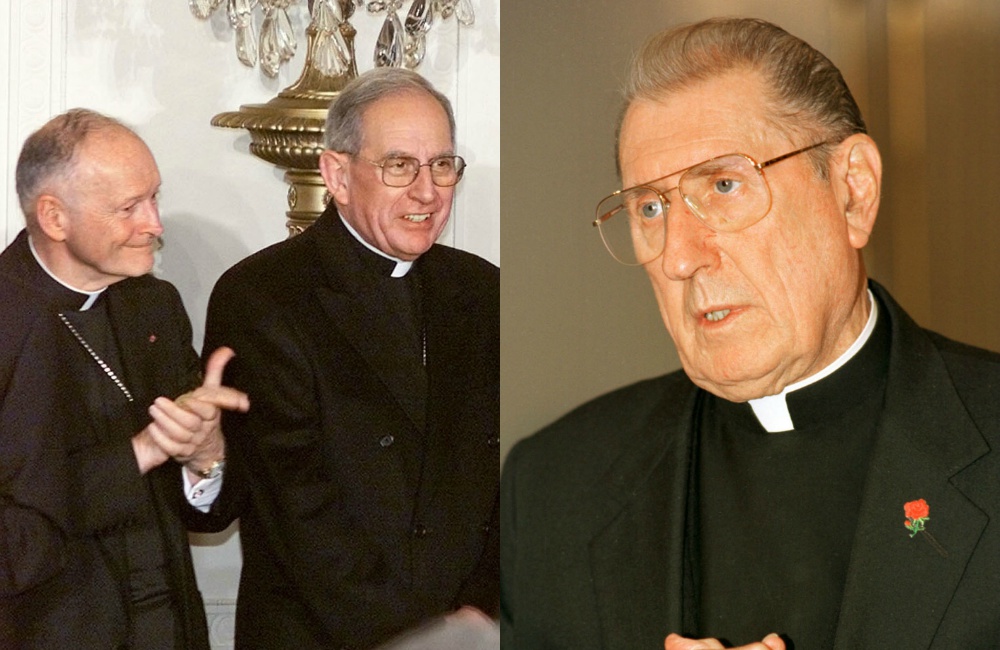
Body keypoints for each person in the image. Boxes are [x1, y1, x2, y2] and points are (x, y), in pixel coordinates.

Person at [500, 17, 1000, 650]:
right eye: (650, 208)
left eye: (724, 185)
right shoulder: (552, 488)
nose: (680, 257)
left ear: (852, 191)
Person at [202, 67, 499, 649]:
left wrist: (481, 613)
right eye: (398, 166)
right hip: (326, 634)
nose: (426, 191)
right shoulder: (263, 295)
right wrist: (421, 636)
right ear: (337, 175)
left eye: (442, 165)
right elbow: (298, 504)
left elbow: (511, 473)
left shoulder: (484, 290)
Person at [0, 108, 250, 649]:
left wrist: (205, 454)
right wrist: (141, 451)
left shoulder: (154, 307)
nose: (155, 224)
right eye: (129, 208)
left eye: (155, 198)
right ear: (54, 217)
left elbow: (211, 512)